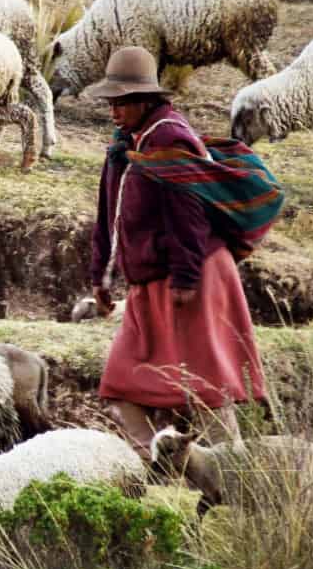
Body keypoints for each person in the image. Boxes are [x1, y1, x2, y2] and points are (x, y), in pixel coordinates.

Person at [87, 46, 268, 459]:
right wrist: (101, 274)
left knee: (205, 389)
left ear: (145, 99)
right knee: (121, 384)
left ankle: (233, 477)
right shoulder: (126, 142)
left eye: (122, 102)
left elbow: (189, 211)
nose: (114, 111)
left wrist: (186, 278)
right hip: (150, 283)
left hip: (194, 277)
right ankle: (160, 472)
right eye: (111, 102)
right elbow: (108, 213)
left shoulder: (169, 136)